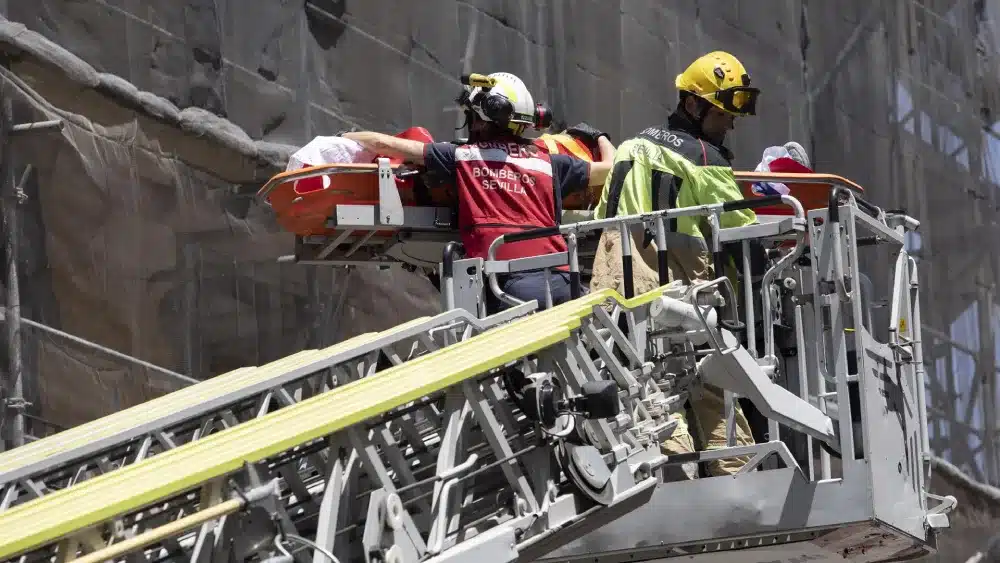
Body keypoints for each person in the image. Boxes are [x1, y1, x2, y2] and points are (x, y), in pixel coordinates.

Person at [589, 51, 765, 478]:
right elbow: (743, 230)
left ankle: (663, 476)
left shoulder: (631, 145)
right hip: (678, 288)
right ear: (693, 105)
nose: (731, 123)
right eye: (723, 114)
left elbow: (600, 218)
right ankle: (728, 484)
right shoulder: (704, 158)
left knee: (643, 389)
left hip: (613, 282)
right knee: (709, 386)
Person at [344, 72, 614, 313]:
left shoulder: (463, 156)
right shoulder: (550, 163)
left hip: (510, 291)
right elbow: (611, 167)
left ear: (483, 117)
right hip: (565, 283)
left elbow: (387, 145)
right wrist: (598, 136)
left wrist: (344, 139)